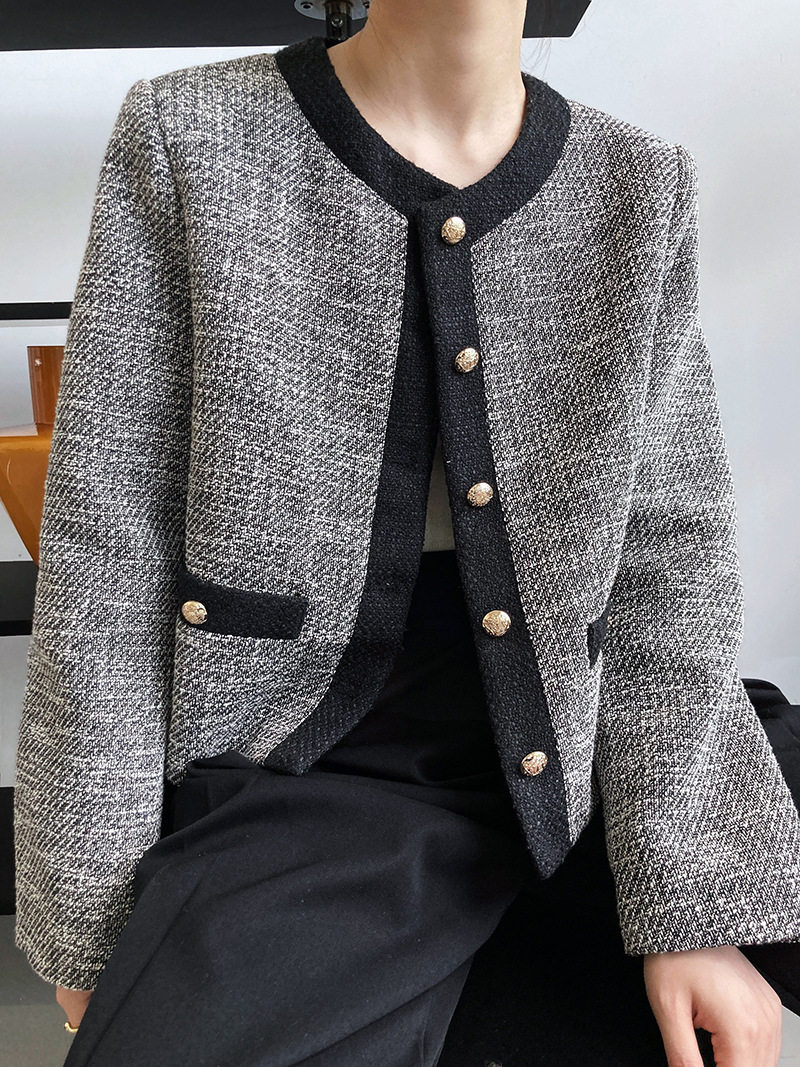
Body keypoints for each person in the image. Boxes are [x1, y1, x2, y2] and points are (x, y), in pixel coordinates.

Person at [13, 1, 799, 1064]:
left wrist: (691, 901)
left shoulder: (638, 183)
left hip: (579, 732)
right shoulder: (189, 135)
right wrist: (88, 906)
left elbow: (671, 561)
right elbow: (109, 552)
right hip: (304, 751)